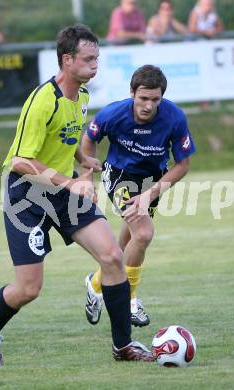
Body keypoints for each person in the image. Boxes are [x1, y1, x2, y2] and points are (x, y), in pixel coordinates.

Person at [0, 24, 156, 368]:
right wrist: (70, 182)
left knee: (113, 257)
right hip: (27, 195)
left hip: (63, 191)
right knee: (29, 288)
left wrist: (81, 160)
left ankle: (123, 346)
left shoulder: (83, 96)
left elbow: (65, 139)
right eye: (88, 60)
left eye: (97, 59)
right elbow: (21, 160)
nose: (95, 66)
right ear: (67, 60)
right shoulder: (44, 100)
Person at [81, 65, 196, 328]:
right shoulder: (113, 113)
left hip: (153, 181)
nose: (148, 106)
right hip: (120, 175)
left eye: (155, 100)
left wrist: (150, 194)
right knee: (143, 233)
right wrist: (87, 174)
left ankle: (96, 282)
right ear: (132, 92)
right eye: (143, 98)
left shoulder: (174, 117)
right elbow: (89, 140)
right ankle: (129, 298)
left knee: (132, 239)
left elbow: (182, 165)